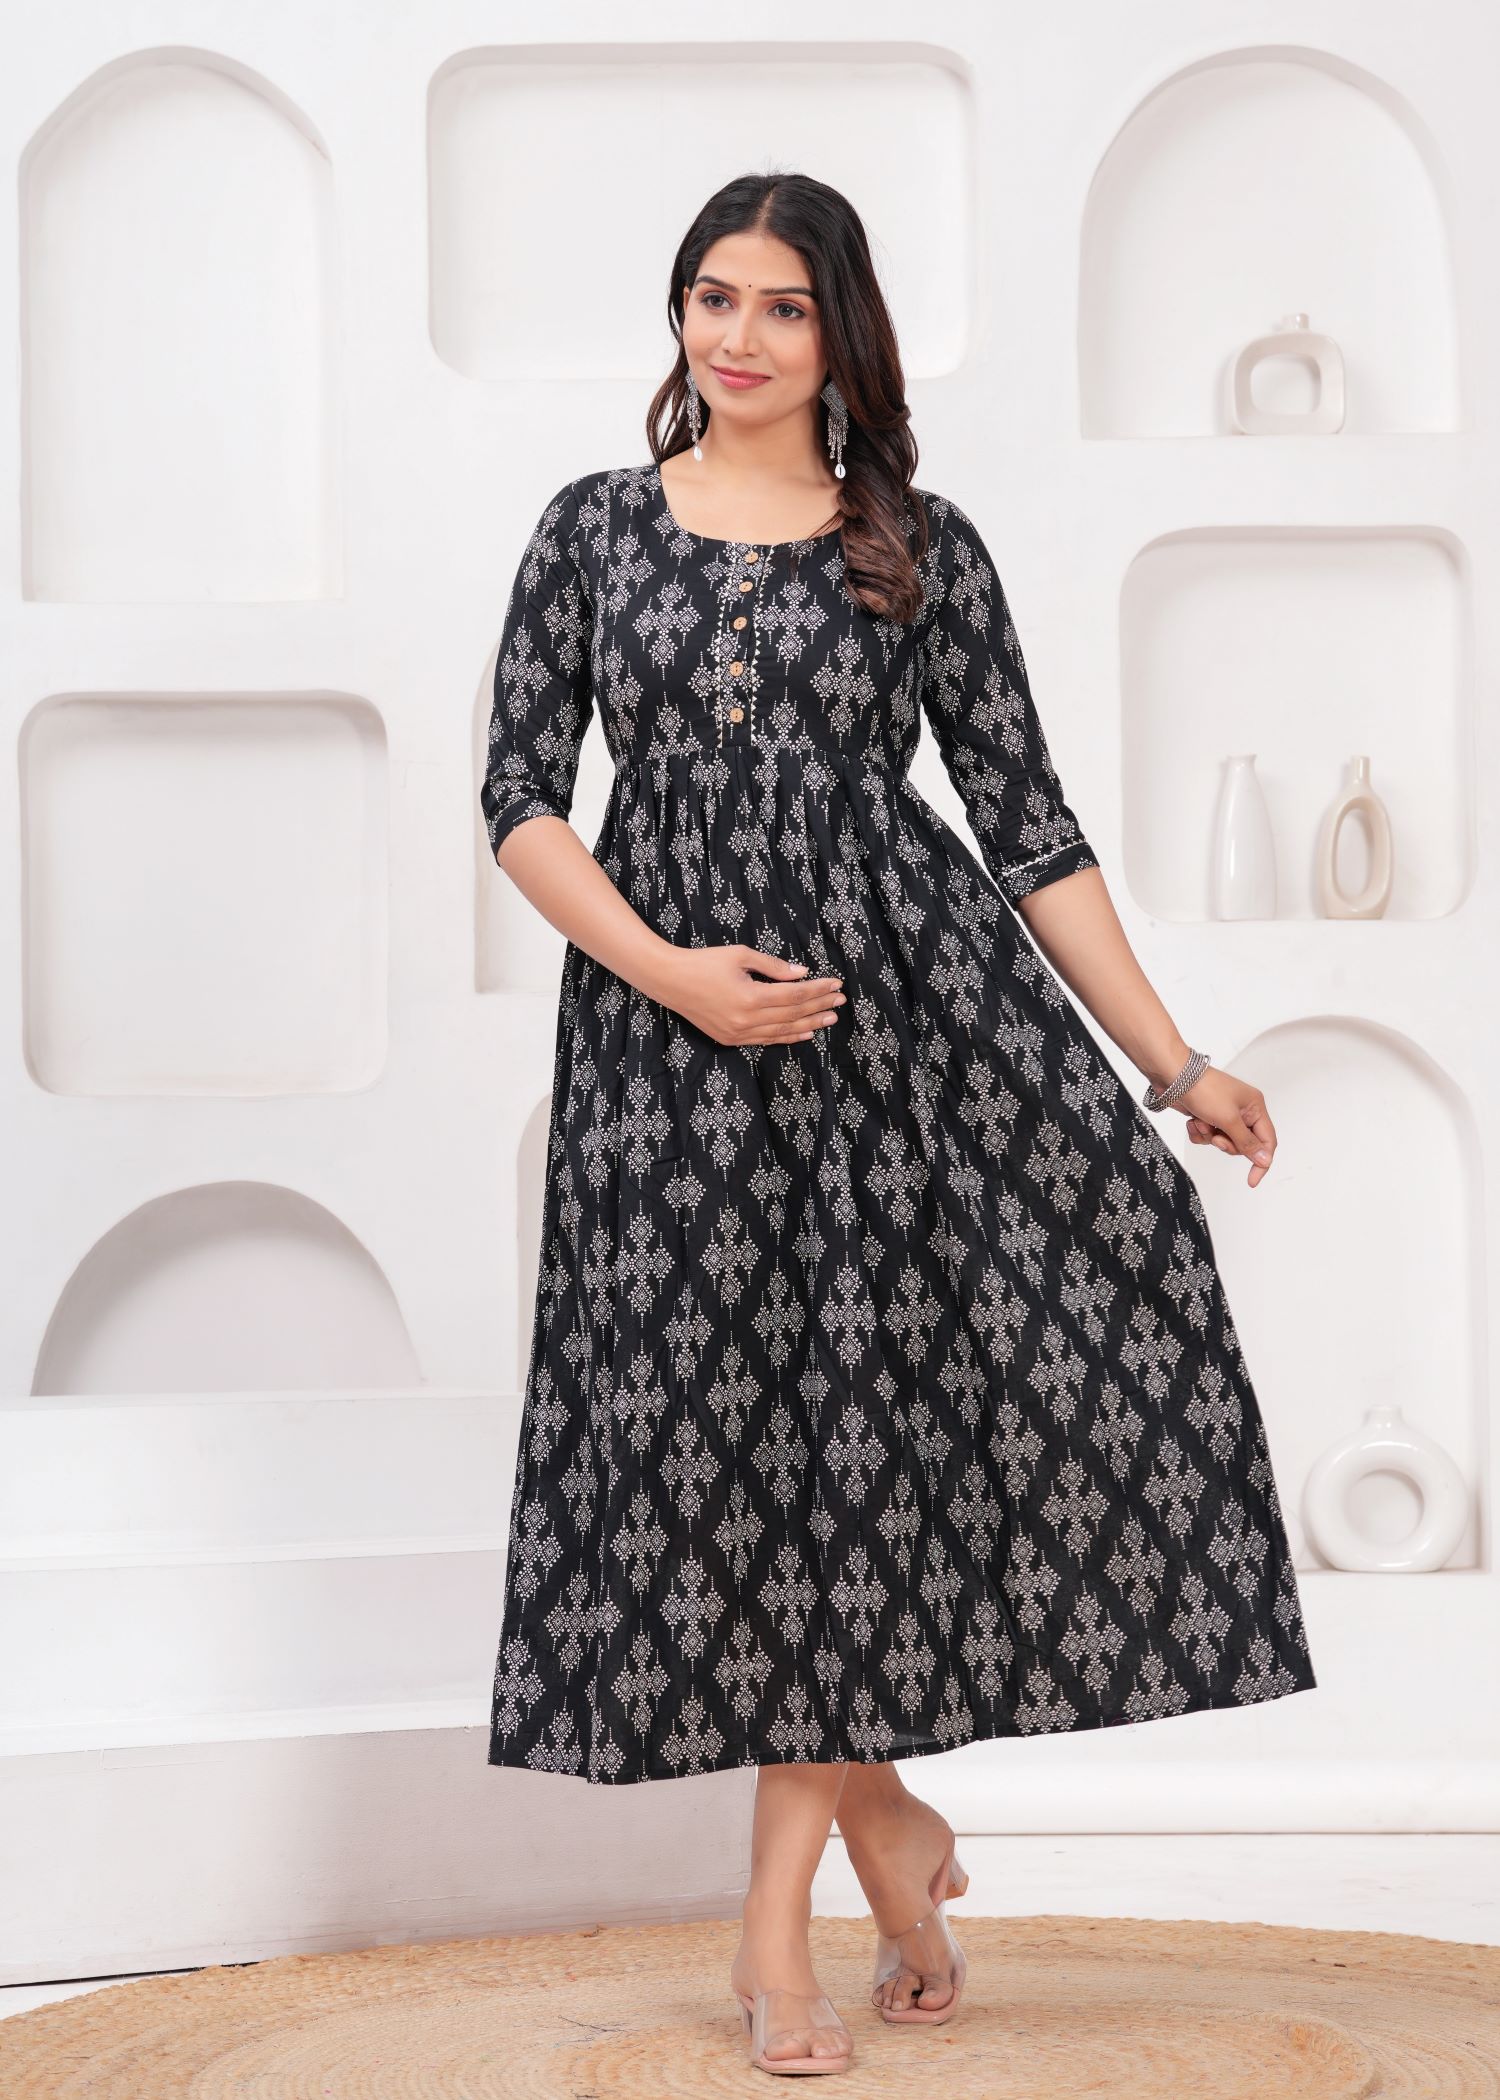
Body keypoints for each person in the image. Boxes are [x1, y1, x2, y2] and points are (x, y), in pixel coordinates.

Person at [480, 171, 1317, 2077]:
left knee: (846, 1460)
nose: (739, 337)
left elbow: (1029, 829)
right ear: (678, 313)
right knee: (726, 1454)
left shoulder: (918, 549)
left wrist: (1175, 1065)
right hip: (665, 1060)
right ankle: (891, 1830)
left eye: (782, 306)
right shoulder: (593, 529)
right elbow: (520, 796)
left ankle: (773, 1925)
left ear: (839, 332)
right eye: (713, 297)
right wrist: (671, 972)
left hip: (899, 1048)